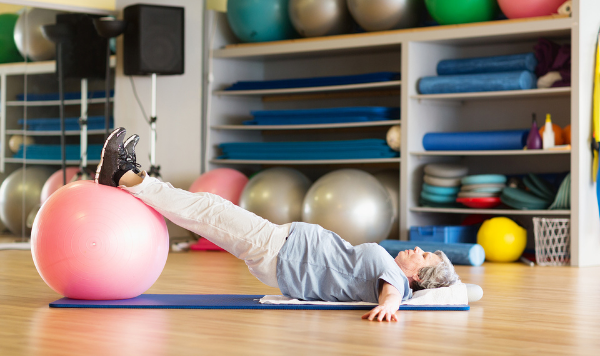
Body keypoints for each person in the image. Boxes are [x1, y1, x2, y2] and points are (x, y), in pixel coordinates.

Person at [95, 128, 460, 322]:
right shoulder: (398, 273)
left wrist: (390, 307)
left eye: (424, 256)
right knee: (209, 209)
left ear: (417, 278)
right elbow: (461, 292)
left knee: (206, 210)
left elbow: (392, 295)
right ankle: (131, 176)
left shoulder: (396, 281)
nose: (416, 249)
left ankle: (125, 175)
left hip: (282, 252)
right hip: (284, 250)